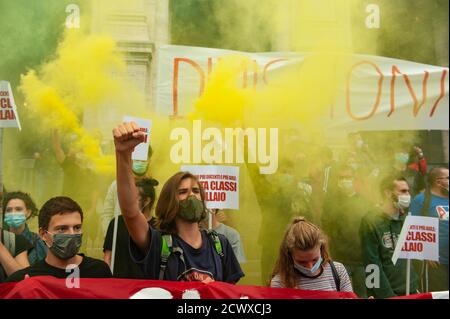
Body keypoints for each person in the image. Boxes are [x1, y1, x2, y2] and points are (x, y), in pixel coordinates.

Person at [113, 122, 244, 283]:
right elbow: (131, 212)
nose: (192, 195)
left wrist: (214, 288)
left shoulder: (220, 244)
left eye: (196, 191)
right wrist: (123, 154)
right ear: (169, 202)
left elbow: (229, 293)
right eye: (182, 192)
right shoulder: (158, 243)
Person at [5, 196, 112, 282]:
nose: (72, 234)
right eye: (62, 229)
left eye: (77, 227)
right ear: (43, 234)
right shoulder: (28, 278)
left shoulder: (99, 271)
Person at [359, 175, 419, 298]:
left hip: (410, 291)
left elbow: (412, 258)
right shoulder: (371, 221)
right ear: (387, 193)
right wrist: (386, 295)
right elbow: (371, 264)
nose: (407, 195)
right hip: (387, 294)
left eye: (408, 191)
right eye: (403, 191)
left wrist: (414, 287)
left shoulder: (407, 219)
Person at [322, 164, 370, 297]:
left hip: (361, 260)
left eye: (347, 177)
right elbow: (325, 232)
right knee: (340, 296)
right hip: (339, 259)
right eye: (341, 178)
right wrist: (328, 257)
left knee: (362, 296)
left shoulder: (365, 202)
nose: (344, 181)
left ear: (354, 179)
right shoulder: (330, 202)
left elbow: (370, 232)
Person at [270, 217, 353, 292]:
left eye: (315, 260)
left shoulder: (338, 271)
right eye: (302, 262)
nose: (310, 267)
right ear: (289, 255)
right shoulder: (280, 283)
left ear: (321, 248)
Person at [103, 177, 159, 278]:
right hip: (118, 286)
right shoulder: (116, 223)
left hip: (145, 288)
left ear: (146, 201)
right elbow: (107, 257)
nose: (127, 202)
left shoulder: (158, 227)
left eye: (132, 198)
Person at [99, 145, 154, 236]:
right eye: (137, 158)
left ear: (149, 161)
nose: (140, 162)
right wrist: (110, 238)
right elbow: (107, 214)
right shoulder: (117, 185)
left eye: (143, 159)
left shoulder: (154, 187)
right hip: (119, 237)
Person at [410, 167, 448, 292]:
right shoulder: (421, 200)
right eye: (448, 178)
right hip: (436, 263)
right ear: (438, 181)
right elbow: (413, 228)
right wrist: (427, 253)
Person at [2, 191, 48, 264]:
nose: (13, 213)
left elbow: (43, 270)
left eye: (18, 209)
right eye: (9, 210)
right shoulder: (2, 239)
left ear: (28, 212)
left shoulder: (37, 241)